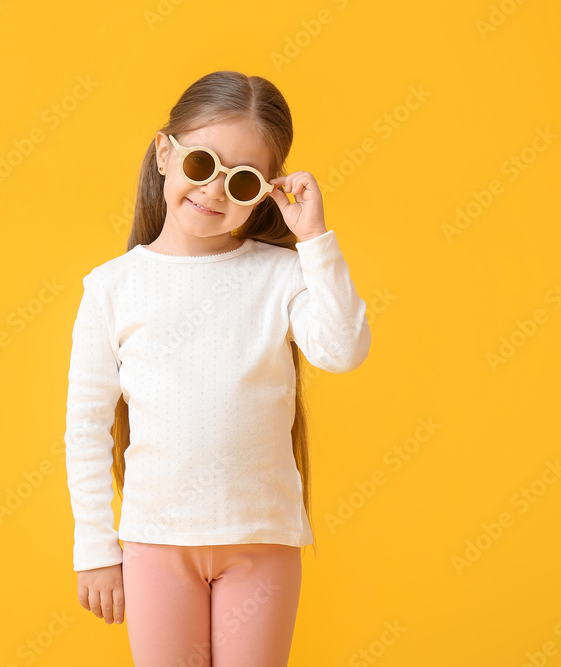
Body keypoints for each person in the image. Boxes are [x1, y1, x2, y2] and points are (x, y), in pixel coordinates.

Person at [63, 70, 372, 667]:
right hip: (156, 542)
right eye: (203, 164)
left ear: (266, 190)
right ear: (164, 153)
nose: (215, 192)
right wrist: (95, 545)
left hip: (261, 539)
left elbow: (343, 349)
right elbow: (86, 427)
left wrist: (314, 240)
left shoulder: (279, 276)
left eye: (244, 181)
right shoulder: (113, 287)